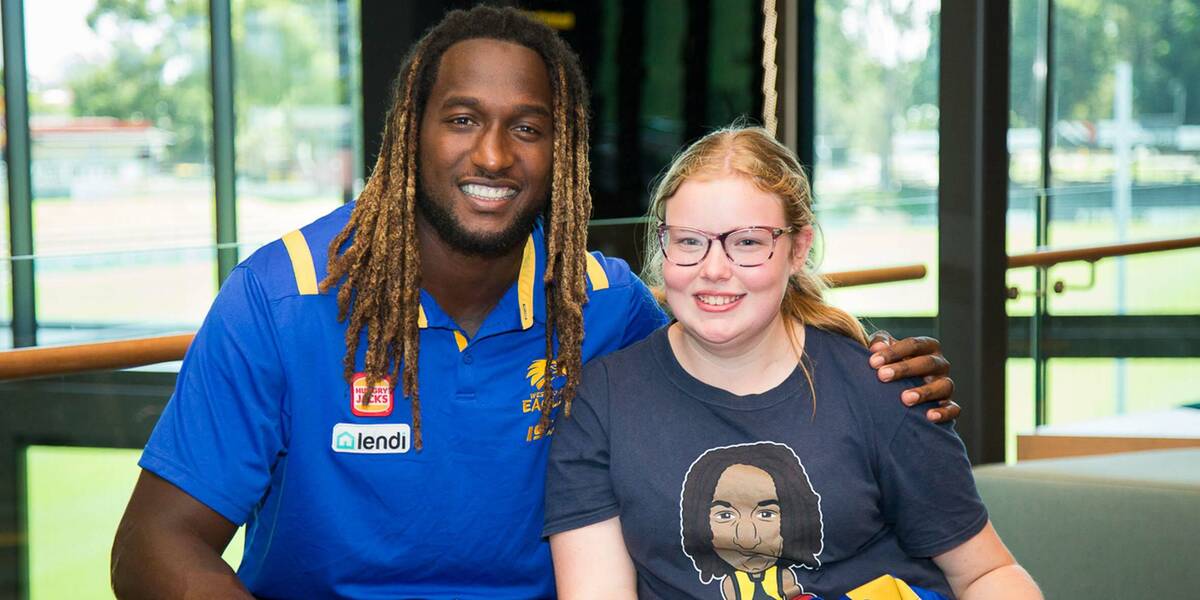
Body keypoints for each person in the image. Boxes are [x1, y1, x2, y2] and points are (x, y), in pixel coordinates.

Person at [110, 7, 957, 599]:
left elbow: (735, 340)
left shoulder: (605, 304)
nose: (493, 153)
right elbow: (153, 547)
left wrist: (868, 362)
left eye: (527, 127)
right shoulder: (282, 297)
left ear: (565, 153)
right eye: (462, 118)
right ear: (410, 131)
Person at [543, 125, 1040, 599]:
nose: (715, 270)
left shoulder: (883, 387)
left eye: (748, 243)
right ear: (662, 244)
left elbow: (988, 573)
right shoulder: (601, 402)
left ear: (797, 249)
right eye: (690, 241)